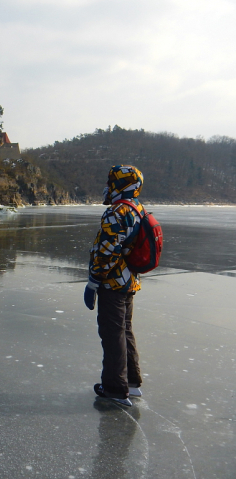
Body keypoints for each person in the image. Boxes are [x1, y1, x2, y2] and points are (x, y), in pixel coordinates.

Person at [84, 165, 145, 407]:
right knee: (125, 330)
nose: (108, 186)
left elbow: (107, 251)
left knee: (112, 334)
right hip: (130, 280)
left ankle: (115, 388)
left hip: (112, 283)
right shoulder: (137, 209)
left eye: (111, 182)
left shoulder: (116, 212)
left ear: (120, 185)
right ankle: (131, 382)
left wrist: (93, 282)